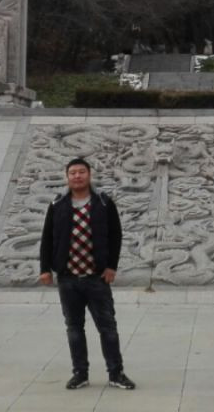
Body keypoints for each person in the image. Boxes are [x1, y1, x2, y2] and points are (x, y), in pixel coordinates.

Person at [39, 158, 136, 391]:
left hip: (97, 278)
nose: (77, 176)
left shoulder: (103, 203)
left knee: (108, 328)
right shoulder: (57, 204)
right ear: (67, 177)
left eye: (81, 172)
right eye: (72, 172)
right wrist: (45, 268)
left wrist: (111, 266)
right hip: (68, 279)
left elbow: (115, 235)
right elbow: (47, 237)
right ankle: (80, 374)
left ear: (89, 175)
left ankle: (116, 373)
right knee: (74, 328)